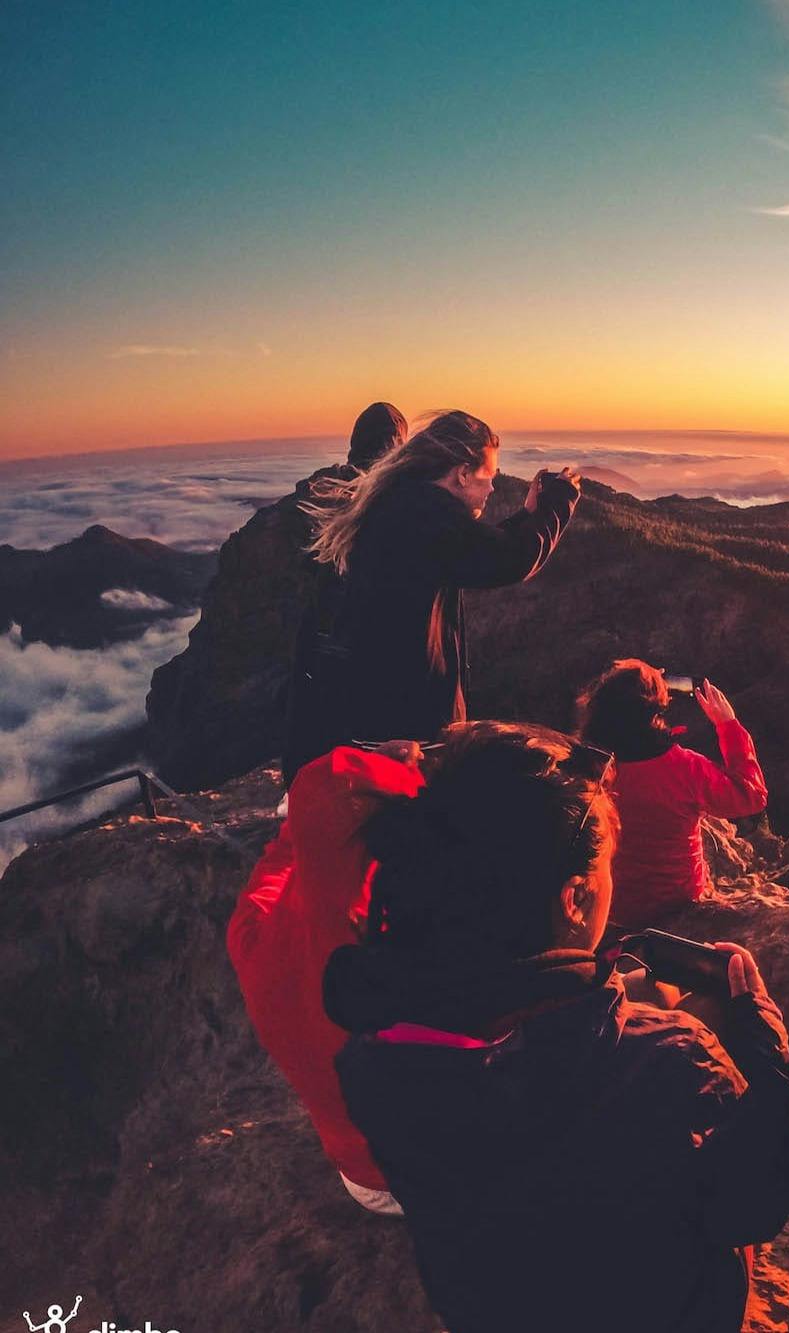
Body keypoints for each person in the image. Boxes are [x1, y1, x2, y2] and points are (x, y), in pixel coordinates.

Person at [323, 721, 789, 1332]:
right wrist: (766, 1053)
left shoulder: (374, 1058)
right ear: (574, 898)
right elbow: (747, 1210)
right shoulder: (671, 1060)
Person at [293, 410, 580, 769]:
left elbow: (476, 549)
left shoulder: (408, 506)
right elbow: (508, 559)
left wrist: (526, 516)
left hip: (377, 708)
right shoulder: (424, 515)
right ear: (461, 473)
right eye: (488, 475)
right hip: (398, 721)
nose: (493, 487)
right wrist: (560, 502)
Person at [228, 739, 425, 1213]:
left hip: (361, 1179)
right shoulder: (408, 952)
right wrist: (407, 781)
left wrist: (306, 821)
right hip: (433, 1172)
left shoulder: (251, 936)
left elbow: (278, 867)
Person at [576, 661, 768, 922]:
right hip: (676, 905)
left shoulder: (586, 766)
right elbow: (751, 796)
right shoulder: (684, 768)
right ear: (656, 709)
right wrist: (727, 725)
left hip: (608, 907)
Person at [281, 402, 408, 785]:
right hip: (367, 642)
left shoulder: (327, 496)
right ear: (398, 445)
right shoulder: (396, 502)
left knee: (316, 731)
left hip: (318, 637)